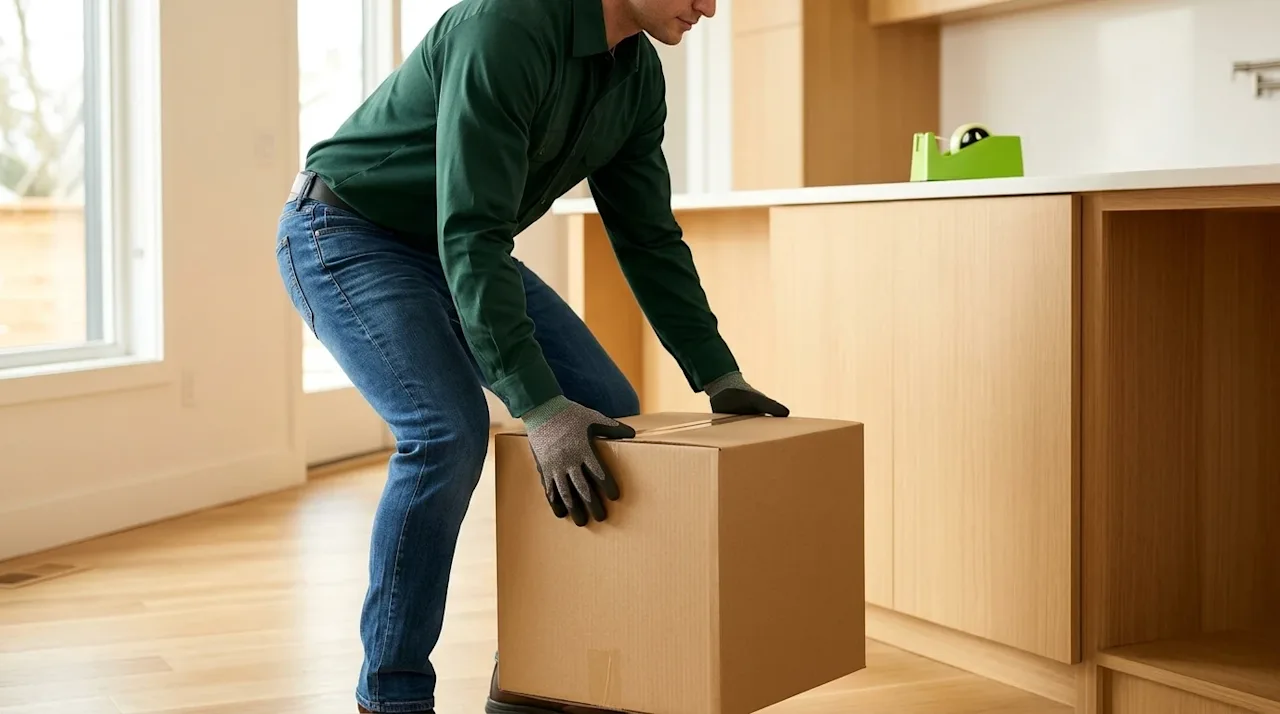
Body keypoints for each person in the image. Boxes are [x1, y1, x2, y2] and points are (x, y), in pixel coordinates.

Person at [274, 0, 788, 711]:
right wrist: (539, 407)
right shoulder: (507, 28)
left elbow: (648, 237)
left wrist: (717, 372)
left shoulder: (637, 78)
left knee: (609, 412)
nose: (709, 7)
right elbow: (474, 230)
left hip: (460, 244)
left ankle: (536, 671)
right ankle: (390, 696)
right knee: (445, 434)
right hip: (352, 232)